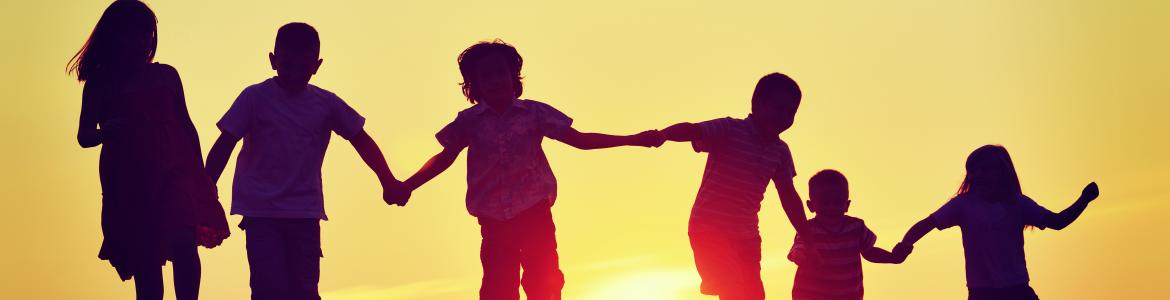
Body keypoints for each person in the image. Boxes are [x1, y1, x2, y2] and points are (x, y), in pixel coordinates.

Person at [396, 40, 664, 300]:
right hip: (493, 221)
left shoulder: (533, 113)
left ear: (514, 76)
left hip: (535, 214)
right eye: (486, 76)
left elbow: (580, 140)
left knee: (544, 282)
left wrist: (632, 138)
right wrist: (407, 185)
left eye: (501, 72)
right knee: (498, 289)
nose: (496, 80)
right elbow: (445, 157)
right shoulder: (469, 122)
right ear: (474, 85)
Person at [203, 22, 405, 300]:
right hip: (262, 213)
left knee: (305, 291)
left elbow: (361, 139)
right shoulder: (254, 97)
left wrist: (388, 180)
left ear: (317, 65)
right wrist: (203, 190)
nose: (295, 73)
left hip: (304, 213)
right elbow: (225, 143)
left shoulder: (326, 103)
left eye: (303, 66)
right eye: (288, 64)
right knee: (268, 289)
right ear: (273, 61)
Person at [70, 1, 229, 299]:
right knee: (146, 261)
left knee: (183, 241)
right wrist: (107, 132)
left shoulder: (167, 75)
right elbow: (84, 136)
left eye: (147, 34)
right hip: (129, 179)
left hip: (175, 172)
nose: (142, 42)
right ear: (115, 38)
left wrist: (202, 176)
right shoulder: (100, 83)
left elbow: (187, 125)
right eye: (133, 35)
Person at [892, 145, 1101, 300]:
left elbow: (1058, 221)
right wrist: (904, 246)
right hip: (982, 293)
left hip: (1018, 291)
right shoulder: (963, 205)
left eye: (987, 170)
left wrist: (1084, 200)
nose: (980, 176)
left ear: (1003, 172)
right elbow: (926, 224)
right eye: (974, 171)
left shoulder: (1018, 203)